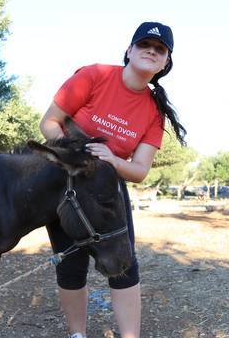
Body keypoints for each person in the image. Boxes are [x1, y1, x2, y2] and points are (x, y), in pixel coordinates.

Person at [39, 21, 187, 338]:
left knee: (123, 265)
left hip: (107, 188)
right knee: (71, 264)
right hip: (67, 184)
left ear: (165, 63)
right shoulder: (95, 76)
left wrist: (114, 160)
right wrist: (74, 153)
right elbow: (48, 123)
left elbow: (140, 170)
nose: (152, 51)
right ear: (129, 50)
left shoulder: (153, 111)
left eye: (160, 49)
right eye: (145, 44)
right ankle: (77, 334)